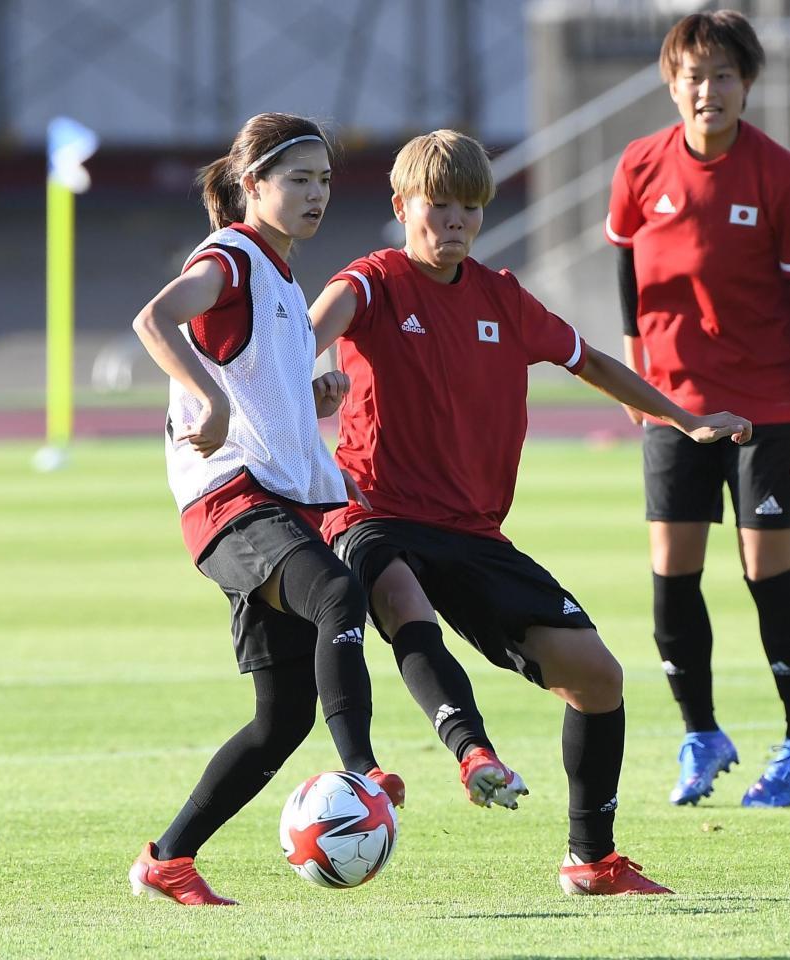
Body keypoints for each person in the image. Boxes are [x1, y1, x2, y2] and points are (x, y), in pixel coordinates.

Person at [309, 128, 752, 896]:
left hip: (473, 531)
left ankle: (591, 860)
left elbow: (594, 360)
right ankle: (471, 751)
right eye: (438, 205)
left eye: (469, 209)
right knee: (400, 596)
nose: (454, 222)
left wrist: (682, 419)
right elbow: (309, 330)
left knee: (598, 677)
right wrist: (311, 371)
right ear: (401, 206)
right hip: (373, 510)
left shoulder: (500, 298)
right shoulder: (373, 281)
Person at [127, 112, 403, 907]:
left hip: (273, 502)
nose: (315, 193)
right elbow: (155, 318)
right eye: (297, 179)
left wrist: (305, 394)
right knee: (336, 592)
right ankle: (362, 770)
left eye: (323, 180)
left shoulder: (280, 279)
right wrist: (205, 398)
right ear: (253, 186)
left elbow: (256, 387)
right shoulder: (233, 257)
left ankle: (167, 861)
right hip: (228, 501)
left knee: (281, 721)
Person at [606, 11, 790, 808]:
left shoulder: (776, 174)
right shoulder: (639, 165)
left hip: (768, 404)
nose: (705, 90)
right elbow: (624, 264)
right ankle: (700, 734)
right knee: (671, 576)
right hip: (673, 407)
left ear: (746, 84)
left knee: (766, 578)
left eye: (721, 75)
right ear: (669, 82)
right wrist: (637, 378)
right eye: (692, 75)